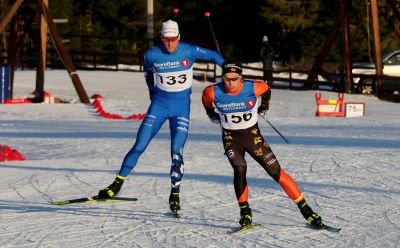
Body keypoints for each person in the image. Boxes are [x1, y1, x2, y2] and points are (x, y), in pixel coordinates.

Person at [97, 20, 224, 216]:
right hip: (159, 106)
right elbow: (148, 74)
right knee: (139, 145)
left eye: (173, 39)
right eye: (166, 39)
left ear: (178, 37)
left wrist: (228, 69)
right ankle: (116, 184)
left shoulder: (189, 50)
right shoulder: (152, 54)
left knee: (176, 152)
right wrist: (152, 92)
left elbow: (215, 56)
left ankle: (175, 193)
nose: (170, 44)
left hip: (181, 109)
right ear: (161, 38)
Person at [201, 61, 324, 229]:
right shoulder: (212, 91)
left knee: (275, 172)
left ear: (241, 78)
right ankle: (245, 213)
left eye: (234, 79)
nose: (230, 83)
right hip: (231, 138)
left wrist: (264, 106)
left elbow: (266, 90)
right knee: (239, 168)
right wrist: (212, 114)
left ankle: (306, 209)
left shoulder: (253, 88)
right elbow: (206, 101)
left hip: (253, 137)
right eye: (226, 79)